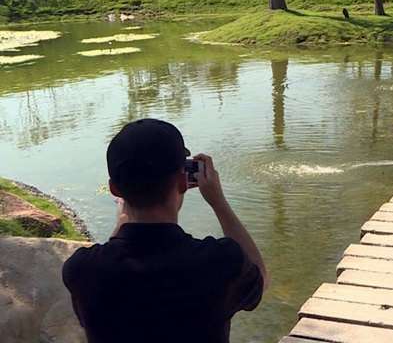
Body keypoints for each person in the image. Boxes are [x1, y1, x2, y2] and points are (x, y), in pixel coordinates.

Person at [63, 118, 268, 343]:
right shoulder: (219, 261)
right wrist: (218, 202)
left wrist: (123, 221)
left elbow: (114, 259)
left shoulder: (82, 270)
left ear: (114, 189)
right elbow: (261, 278)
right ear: (183, 182)